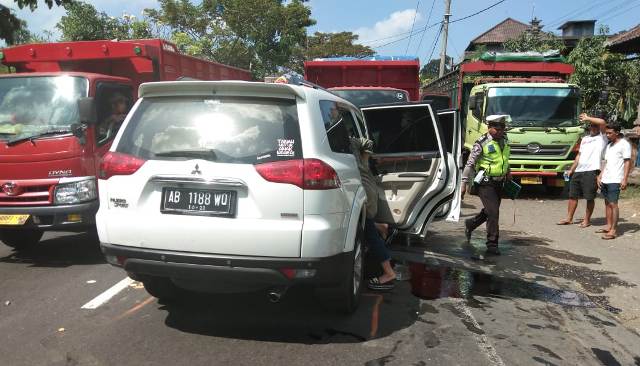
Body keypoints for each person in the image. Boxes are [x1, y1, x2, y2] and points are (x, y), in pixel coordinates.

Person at [461, 114, 511, 256]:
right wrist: (463, 183)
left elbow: (505, 158)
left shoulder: (505, 139)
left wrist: (508, 171)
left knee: (490, 211)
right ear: (489, 128)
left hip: (500, 182)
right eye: (497, 128)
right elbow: (470, 164)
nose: (500, 131)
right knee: (494, 213)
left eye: (502, 128)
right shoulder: (481, 143)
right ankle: (492, 244)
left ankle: (471, 224)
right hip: (485, 183)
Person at [351, 137, 396, 291]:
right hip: (365, 187)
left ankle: (389, 273)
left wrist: (363, 163)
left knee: (370, 235)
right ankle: (382, 227)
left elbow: (368, 142)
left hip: (364, 189)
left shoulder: (346, 140)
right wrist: (364, 163)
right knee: (368, 224)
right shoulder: (347, 140)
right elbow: (367, 143)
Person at [557, 113, 607, 228]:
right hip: (579, 170)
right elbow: (579, 156)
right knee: (572, 195)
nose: (593, 128)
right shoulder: (585, 139)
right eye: (591, 126)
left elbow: (603, 122)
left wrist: (587, 118)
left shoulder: (602, 138)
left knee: (589, 197)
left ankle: (587, 220)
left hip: (592, 170)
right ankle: (569, 218)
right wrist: (571, 169)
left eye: (595, 126)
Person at [597, 122, 633, 240]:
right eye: (606, 133)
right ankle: (608, 225)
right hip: (606, 178)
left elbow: (627, 161)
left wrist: (625, 178)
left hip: (616, 179)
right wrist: (600, 175)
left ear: (617, 133)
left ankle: (613, 230)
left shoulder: (624, 144)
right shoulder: (609, 146)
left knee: (613, 204)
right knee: (607, 203)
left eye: (609, 133)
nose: (607, 135)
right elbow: (606, 163)